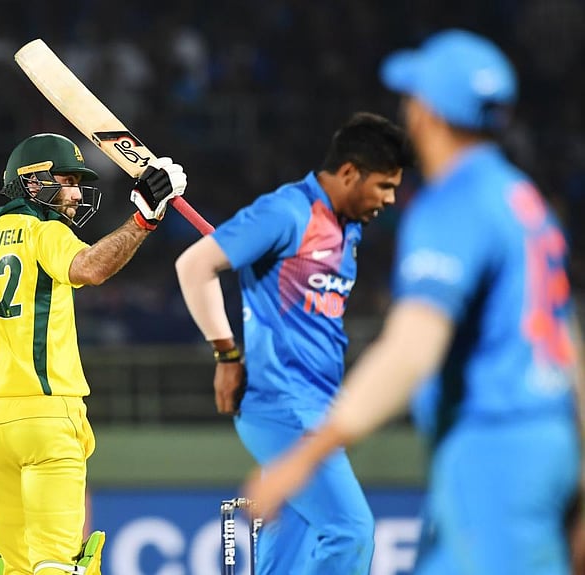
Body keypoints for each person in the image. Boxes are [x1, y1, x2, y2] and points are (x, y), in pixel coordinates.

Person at [243, 29, 585, 575]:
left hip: (493, 452)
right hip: (546, 447)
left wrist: (302, 459)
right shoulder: (525, 202)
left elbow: (411, 351)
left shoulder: (454, 205)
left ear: (426, 114)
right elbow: (567, 346)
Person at [0, 133, 187, 575]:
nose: (75, 194)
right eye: (67, 181)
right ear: (32, 184)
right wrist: (145, 218)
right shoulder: (44, 233)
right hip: (48, 419)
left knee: (13, 568)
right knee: (58, 564)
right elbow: (91, 267)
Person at [175, 112, 412, 574]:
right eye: (384, 185)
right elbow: (195, 265)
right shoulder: (287, 212)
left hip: (319, 412)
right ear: (349, 173)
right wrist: (226, 354)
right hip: (283, 407)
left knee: (291, 548)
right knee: (350, 531)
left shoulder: (348, 227)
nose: (390, 199)